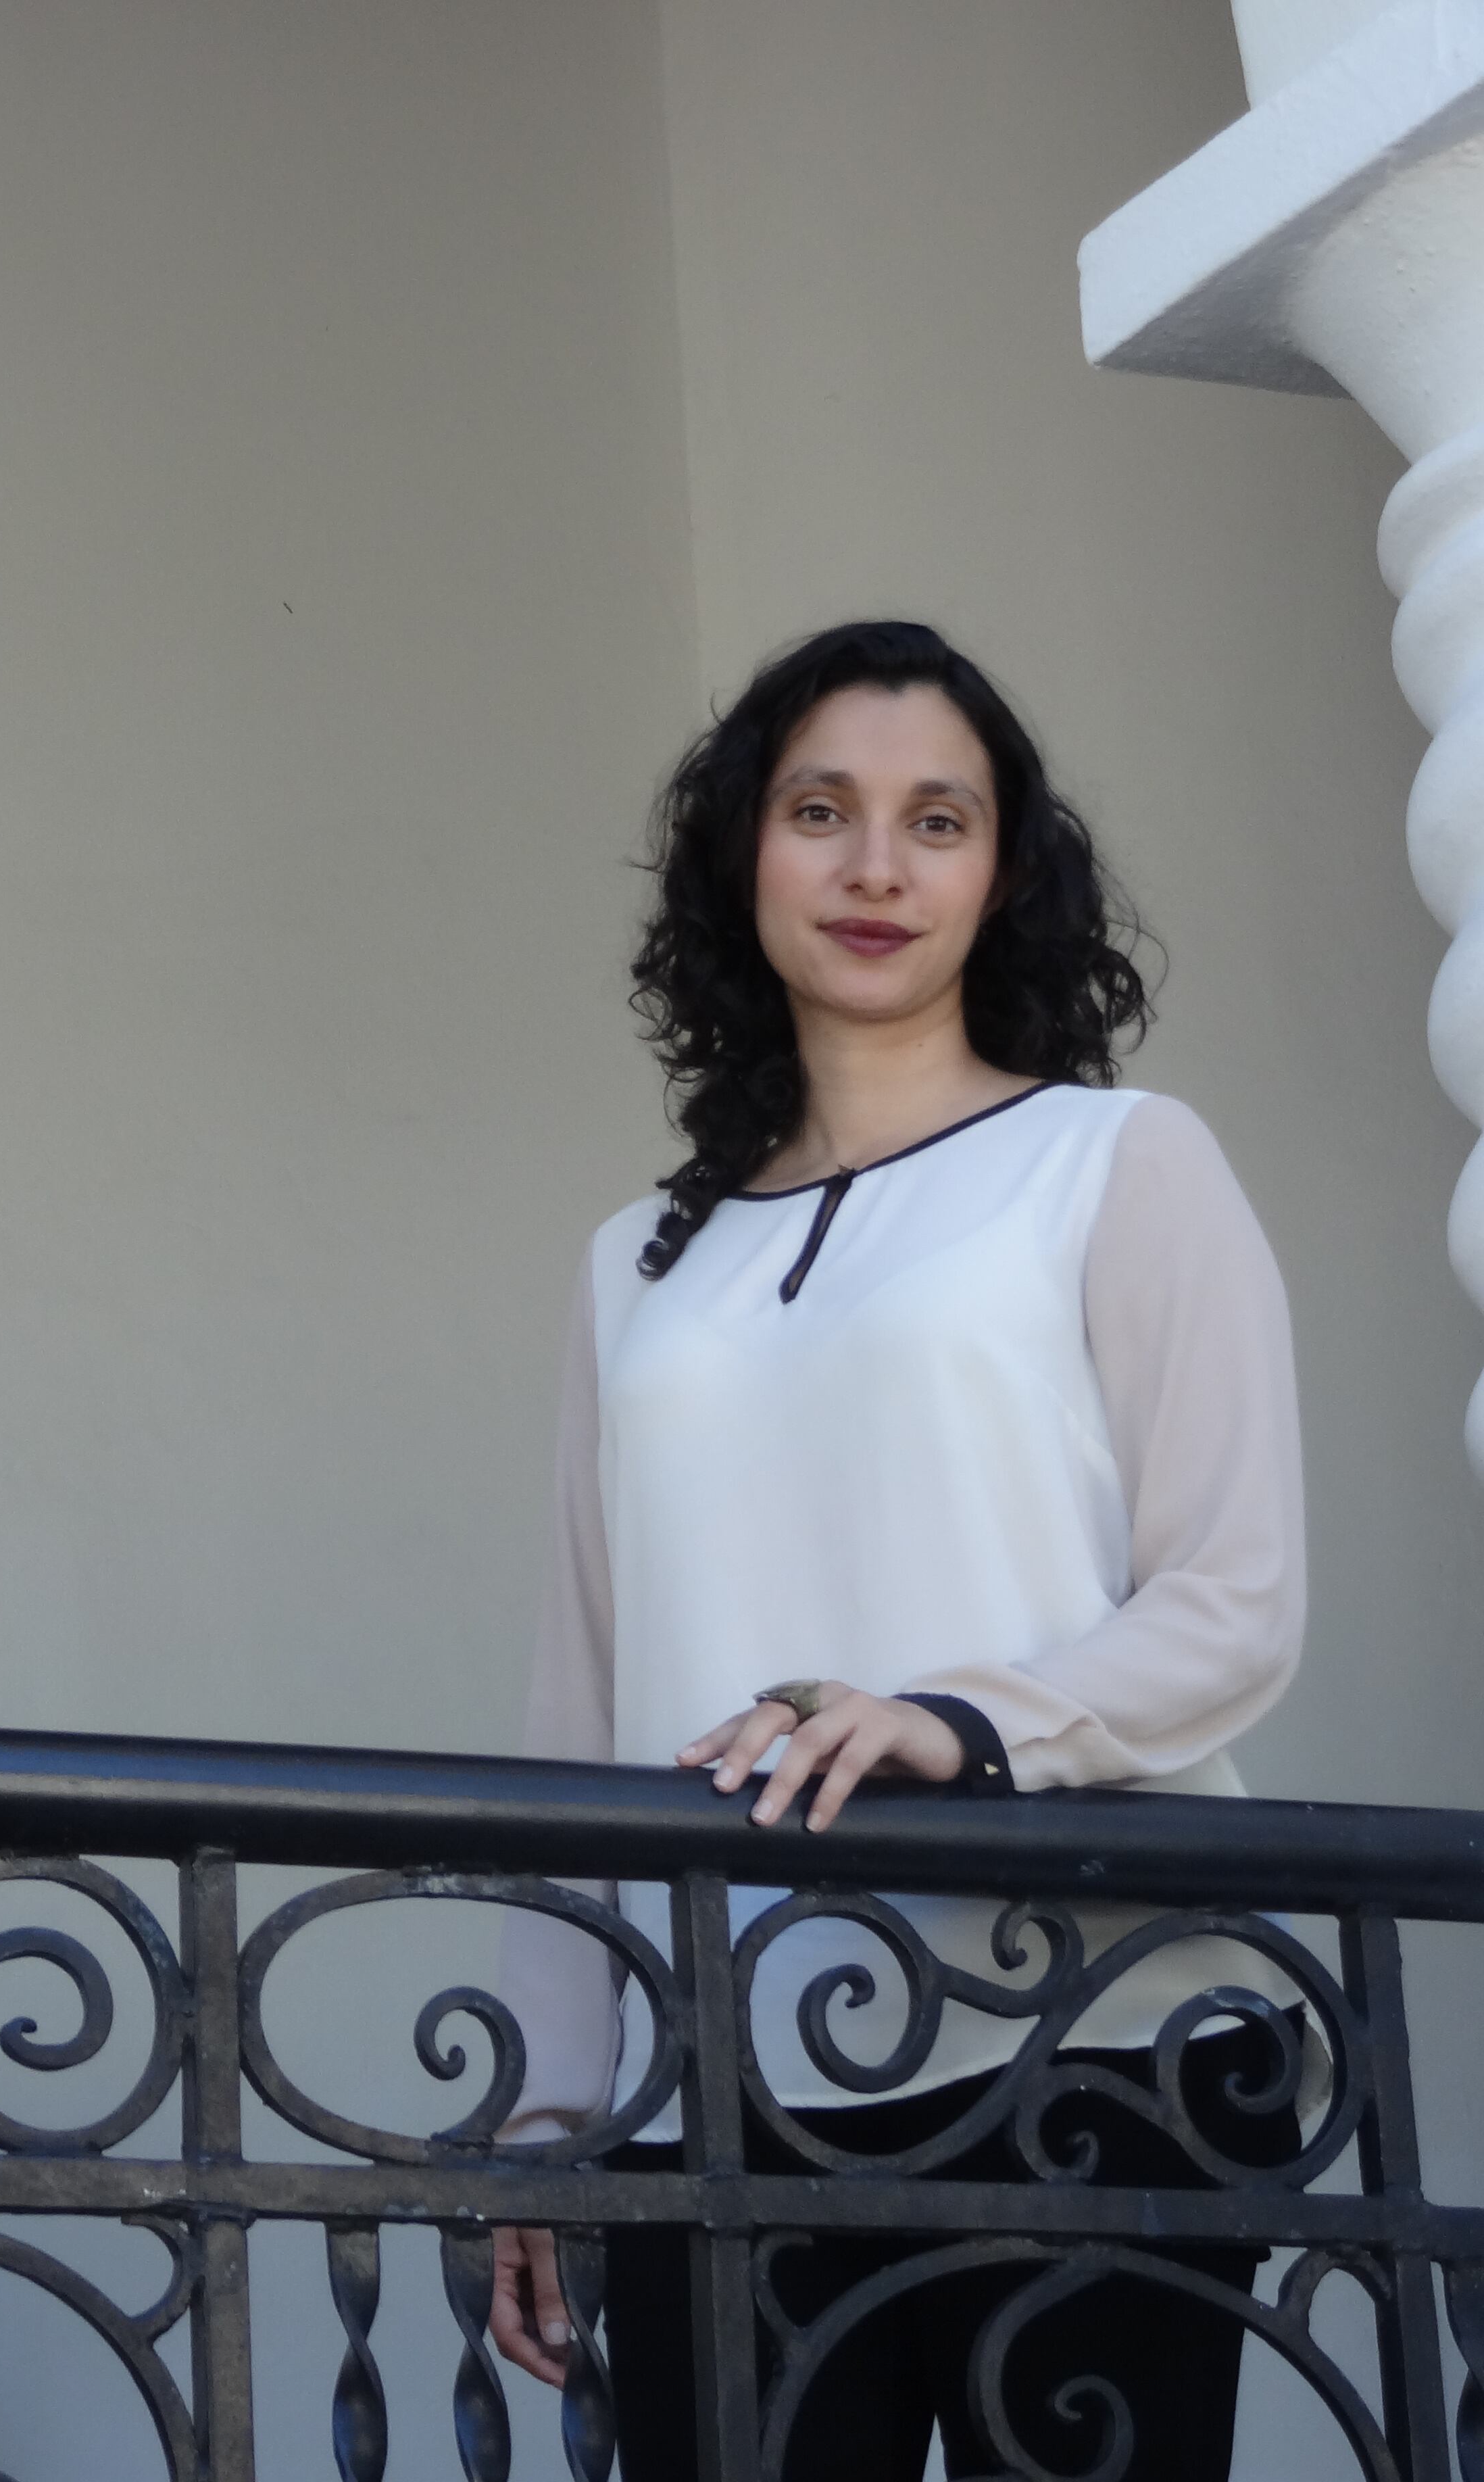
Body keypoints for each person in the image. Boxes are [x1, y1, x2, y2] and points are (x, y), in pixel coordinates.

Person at [480, 620, 1307, 2480]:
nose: (876, 867)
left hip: (1093, 2039)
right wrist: (548, 2109)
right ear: (741, 855)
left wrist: (962, 1720)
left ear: (1002, 872)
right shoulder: (635, 1264)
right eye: (821, 812)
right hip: (722, 2079)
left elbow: (1236, 1601)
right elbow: (580, 1699)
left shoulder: (1121, 1163)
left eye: (938, 820)